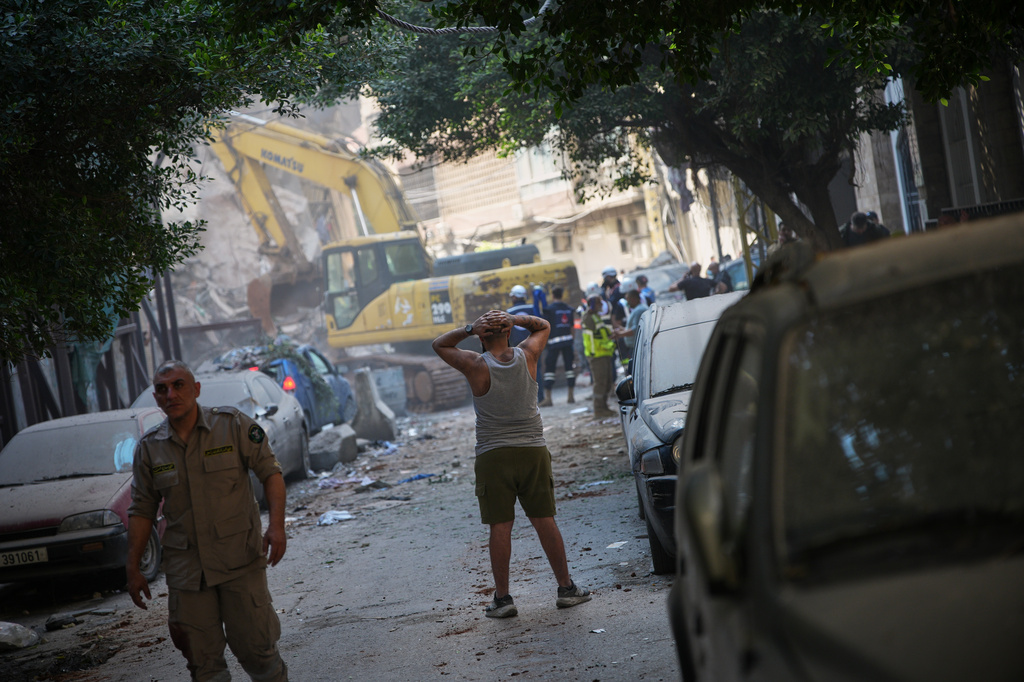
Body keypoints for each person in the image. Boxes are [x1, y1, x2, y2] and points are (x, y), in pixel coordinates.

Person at [127, 360, 289, 682]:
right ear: (156, 398)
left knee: (259, 655)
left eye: (178, 385)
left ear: (196, 389)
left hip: (239, 562)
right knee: (204, 666)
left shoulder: (233, 426)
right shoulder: (150, 449)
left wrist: (277, 526)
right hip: (187, 573)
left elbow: (271, 473)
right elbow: (142, 510)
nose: (171, 394)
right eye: (162, 389)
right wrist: (132, 566)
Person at [431, 310, 592, 618]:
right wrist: (516, 318)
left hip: (494, 456)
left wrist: (469, 328)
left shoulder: (475, 364)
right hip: (532, 451)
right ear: (507, 332)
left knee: (500, 526)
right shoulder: (528, 354)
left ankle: (503, 600)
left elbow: (440, 345)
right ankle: (566, 589)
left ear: (482, 336)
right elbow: (543, 325)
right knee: (545, 519)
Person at [581, 294, 618, 418]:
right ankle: (598, 409)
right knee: (600, 382)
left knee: (607, 381)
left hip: (604, 353)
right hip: (596, 355)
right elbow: (595, 335)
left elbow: (602, 332)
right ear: (592, 305)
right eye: (598, 303)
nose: (601, 306)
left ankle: (604, 407)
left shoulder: (596, 316)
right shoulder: (588, 317)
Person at [539, 286, 576, 406]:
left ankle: (548, 398)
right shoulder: (568, 309)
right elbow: (572, 327)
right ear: (562, 294)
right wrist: (572, 342)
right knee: (569, 368)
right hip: (568, 342)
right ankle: (571, 396)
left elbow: (545, 327)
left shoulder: (549, 310)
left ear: (553, 295)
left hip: (553, 343)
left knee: (550, 370)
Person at [611, 279, 648, 374]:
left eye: (628, 300)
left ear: (634, 299)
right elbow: (631, 328)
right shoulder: (637, 309)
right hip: (633, 347)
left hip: (637, 347)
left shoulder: (639, 310)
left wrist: (620, 334)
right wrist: (621, 330)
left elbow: (635, 330)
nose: (627, 302)